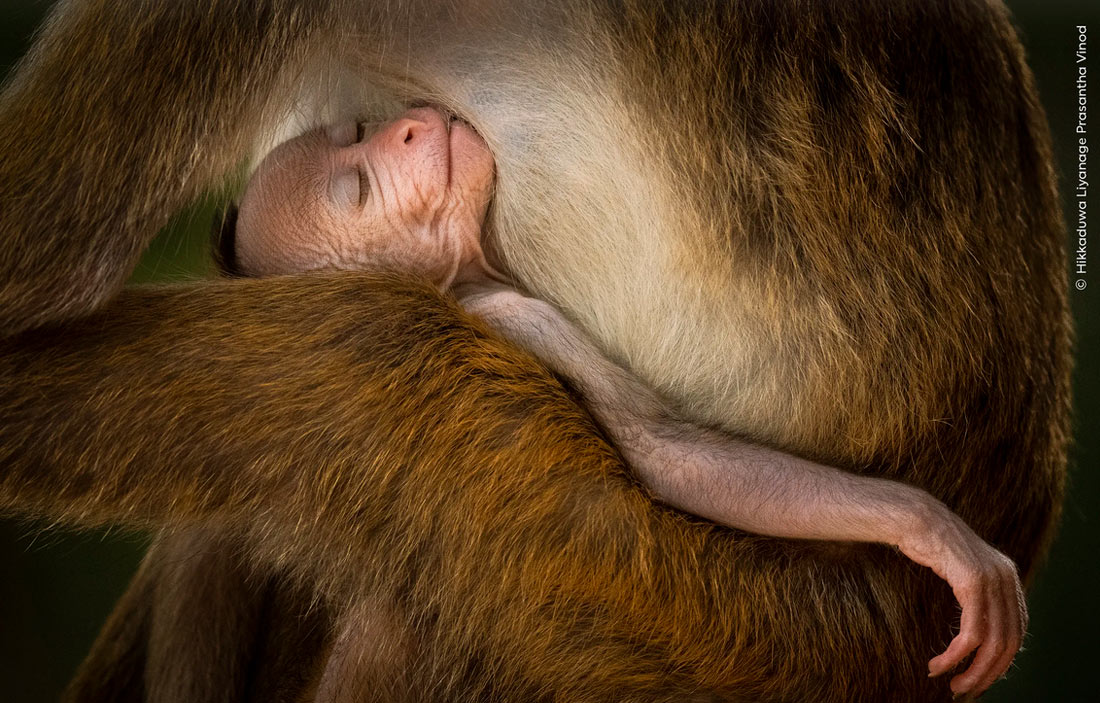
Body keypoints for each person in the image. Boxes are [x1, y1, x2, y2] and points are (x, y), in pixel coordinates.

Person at [225, 106, 1024, 680]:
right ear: (379, 303)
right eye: (359, 188)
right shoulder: (499, 324)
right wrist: (912, 518)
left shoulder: (496, 287)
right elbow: (668, 457)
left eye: (354, 130)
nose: (396, 131)